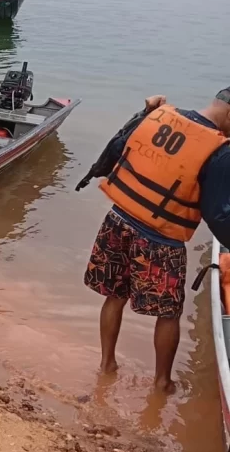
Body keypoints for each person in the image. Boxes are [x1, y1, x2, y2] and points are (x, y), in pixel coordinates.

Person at [81, 89, 230, 392]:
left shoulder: (157, 115)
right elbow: (217, 214)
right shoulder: (219, 151)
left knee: (115, 296)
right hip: (161, 239)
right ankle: (162, 382)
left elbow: (116, 149)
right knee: (168, 314)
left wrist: (143, 111)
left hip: (118, 221)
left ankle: (107, 364)